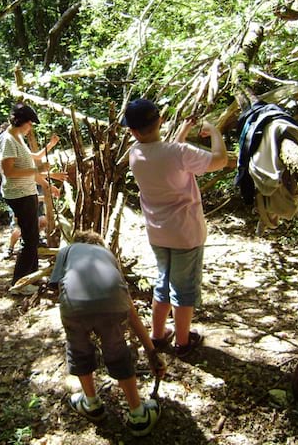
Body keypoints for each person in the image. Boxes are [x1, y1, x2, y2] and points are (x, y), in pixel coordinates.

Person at [122, 99, 228, 357]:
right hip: (185, 234)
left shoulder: (135, 154)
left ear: (134, 132)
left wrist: (183, 130)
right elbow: (220, 160)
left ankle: (158, 335)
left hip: (158, 233)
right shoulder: (178, 154)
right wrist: (215, 132)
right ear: (159, 121)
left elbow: (168, 153)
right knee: (183, 288)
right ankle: (183, 342)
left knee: (163, 281)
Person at [49, 230, 166, 437]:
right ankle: (138, 414)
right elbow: (129, 307)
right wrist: (151, 352)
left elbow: (60, 287)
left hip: (73, 306)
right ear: (99, 244)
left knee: (78, 348)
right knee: (117, 350)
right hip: (114, 305)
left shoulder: (66, 251)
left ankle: (91, 403)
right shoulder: (107, 255)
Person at [0, 103, 66, 284]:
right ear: (21, 122)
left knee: (32, 237)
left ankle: (31, 277)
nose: (31, 127)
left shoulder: (17, 138)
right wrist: (40, 168)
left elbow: (29, 169)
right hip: (18, 195)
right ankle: (20, 282)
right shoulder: (8, 140)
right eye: (30, 123)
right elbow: (8, 171)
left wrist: (46, 184)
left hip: (27, 192)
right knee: (29, 239)